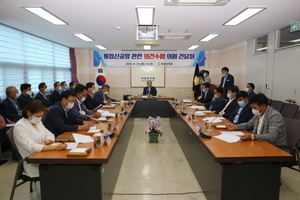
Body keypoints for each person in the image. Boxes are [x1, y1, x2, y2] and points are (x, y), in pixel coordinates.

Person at [13, 100, 67, 178]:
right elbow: (31, 147)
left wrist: (44, 141)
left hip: (44, 155)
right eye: (38, 116)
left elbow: (51, 135)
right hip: (34, 161)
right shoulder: (20, 127)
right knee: (65, 168)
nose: (39, 118)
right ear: (28, 113)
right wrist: (55, 147)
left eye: (41, 116)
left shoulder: (37, 122)